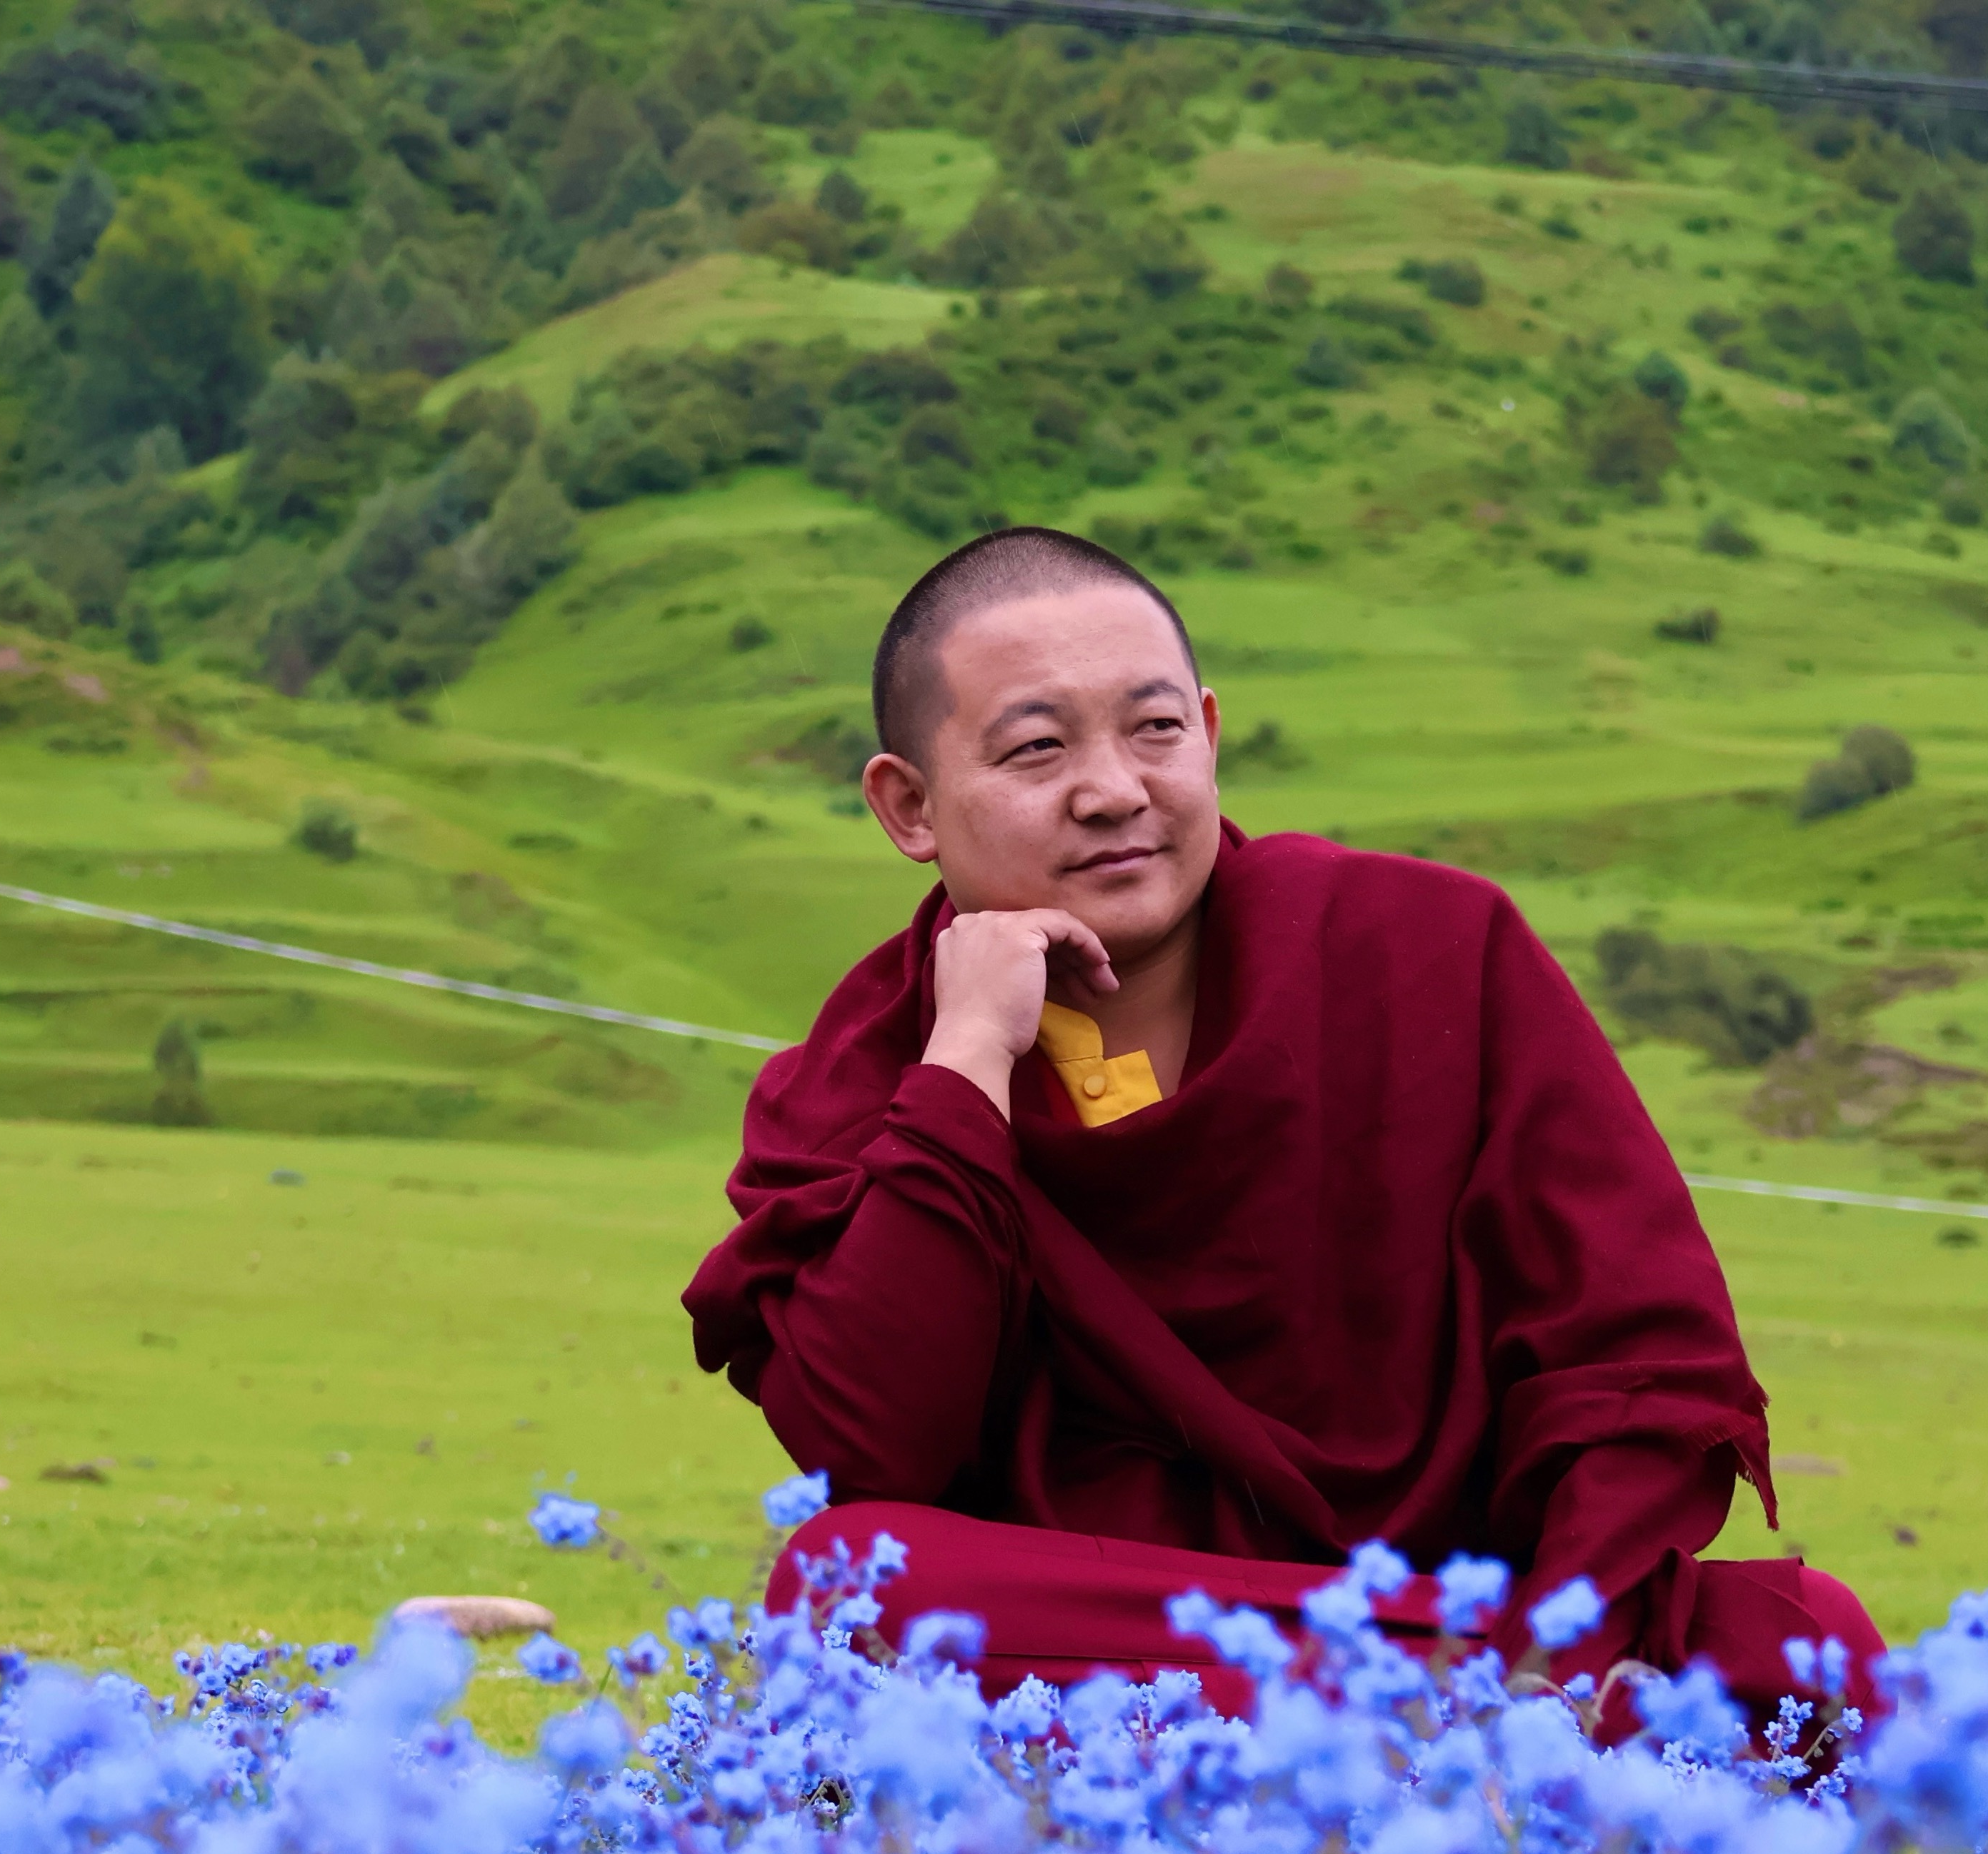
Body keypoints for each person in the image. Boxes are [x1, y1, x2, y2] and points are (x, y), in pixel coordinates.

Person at [681, 527, 1882, 1735]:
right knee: (847, 1585)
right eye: (1037, 749)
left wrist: (1554, 1675)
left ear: (1207, 733)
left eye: (1153, 730)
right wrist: (965, 1062)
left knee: (1813, 1640)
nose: (1113, 790)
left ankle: (1451, 1730)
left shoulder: (1426, 950)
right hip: (1109, 1631)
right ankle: (1428, 1740)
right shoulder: (866, 1078)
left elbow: (1631, 1371)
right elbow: (872, 1447)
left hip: (1468, 1624)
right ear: (908, 807)